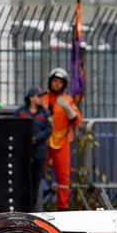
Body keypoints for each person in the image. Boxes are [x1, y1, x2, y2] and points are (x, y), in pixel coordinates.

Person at [40, 67, 82, 211]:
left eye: (60, 82)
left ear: (64, 84)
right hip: (43, 141)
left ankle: (63, 207)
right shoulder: (43, 99)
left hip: (61, 141)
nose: (57, 84)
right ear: (50, 82)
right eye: (55, 81)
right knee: (38, 173)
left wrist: (68, 110)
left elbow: (78, 121)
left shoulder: (67, 100)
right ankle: (35, 204)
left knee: (63, 176)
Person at [17, 86, 53, 211]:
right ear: (31, 98)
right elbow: (14, 126)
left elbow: (49, 129)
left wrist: (36, 138)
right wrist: (25, 137)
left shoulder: (45, 113)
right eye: (39, 96)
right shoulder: (20, 112)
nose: (41, 99)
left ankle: (32, 207)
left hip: (39, 152)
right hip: (23, 152)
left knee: (36, 181)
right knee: (23, 180)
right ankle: (22, 207)